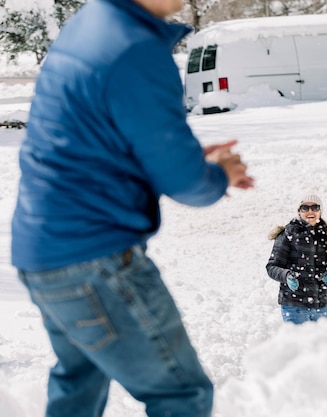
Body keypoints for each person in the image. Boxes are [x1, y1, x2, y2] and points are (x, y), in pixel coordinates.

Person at [11, 0, 253, 416]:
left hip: (44, 252)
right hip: (95, 261)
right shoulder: (135, 47)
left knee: (79, 386)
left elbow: (107, 138)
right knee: (181, 396)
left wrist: (189, 160)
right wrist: (216, 175)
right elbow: (184, 181)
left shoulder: (92, 22)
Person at [266, 194, 327, 324]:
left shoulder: (326, 235)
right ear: (299, 212)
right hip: (295, 306)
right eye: (305, 208)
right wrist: (287, 276)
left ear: (320, 211)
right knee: (298, 344)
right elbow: (272, 267)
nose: (310, 211)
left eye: (315, 207)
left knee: (320, 344)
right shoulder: (288, 234)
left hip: (321, 306)